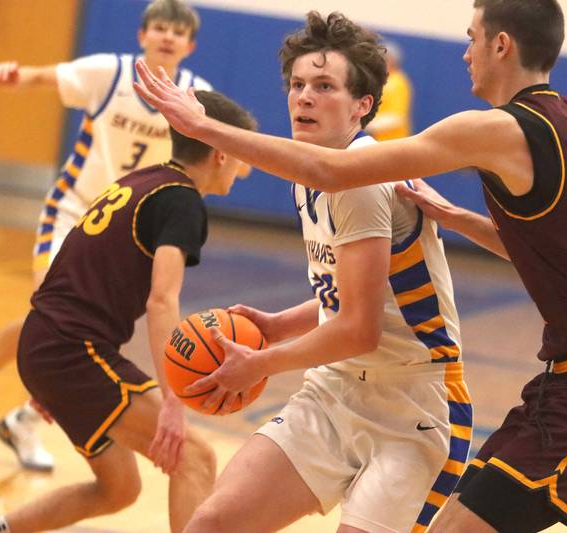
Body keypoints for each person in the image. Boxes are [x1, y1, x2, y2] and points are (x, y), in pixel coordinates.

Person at [134, 0, 567, 531]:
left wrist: (203, 128)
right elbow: (556, 252)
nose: (466, 53)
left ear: (501, 45)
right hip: (557, 376)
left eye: (472, 37)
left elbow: (334, 177)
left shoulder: (495, 130)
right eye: (298, 85)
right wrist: (458, 218)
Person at [175, 13, 471, 533]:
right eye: (298, 85)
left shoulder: (358, 179)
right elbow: (355, 294)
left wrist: (264, 362)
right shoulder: (309, 171)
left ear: (363, 105)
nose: (304, 97)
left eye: (324, 86)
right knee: (213, 524)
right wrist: (276, 326)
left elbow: (360, 327)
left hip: (412, 407)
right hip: (335, 391)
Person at [0, 90, 256, 533]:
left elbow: (72, 266)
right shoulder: (181, 201)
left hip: (50, 343)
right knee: (194, 456)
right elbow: (162, 300)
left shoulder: (143, 180)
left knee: (119, 489)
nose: (245, 167)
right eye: (239, 154)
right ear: (218, 154)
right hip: (70, 349)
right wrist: (173, 401)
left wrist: (50, 375)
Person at [0, 0, 210, 472]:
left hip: (125, 232)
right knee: (49, 313)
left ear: (191, 45)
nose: (167, 37)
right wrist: (11, 73)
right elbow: (43, 77)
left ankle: (23, 422)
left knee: (74, 330)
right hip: (75, 210)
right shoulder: (107, 73)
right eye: (159, 27)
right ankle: (27, 421)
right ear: (143, 35)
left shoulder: (196, 96)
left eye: (178, 32)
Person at [365, 39, 413, 140]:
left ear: (391, 61)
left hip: (391, 141)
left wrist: (367, 125)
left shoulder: (397, 82)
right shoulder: (381, 80)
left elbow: (396, 117)